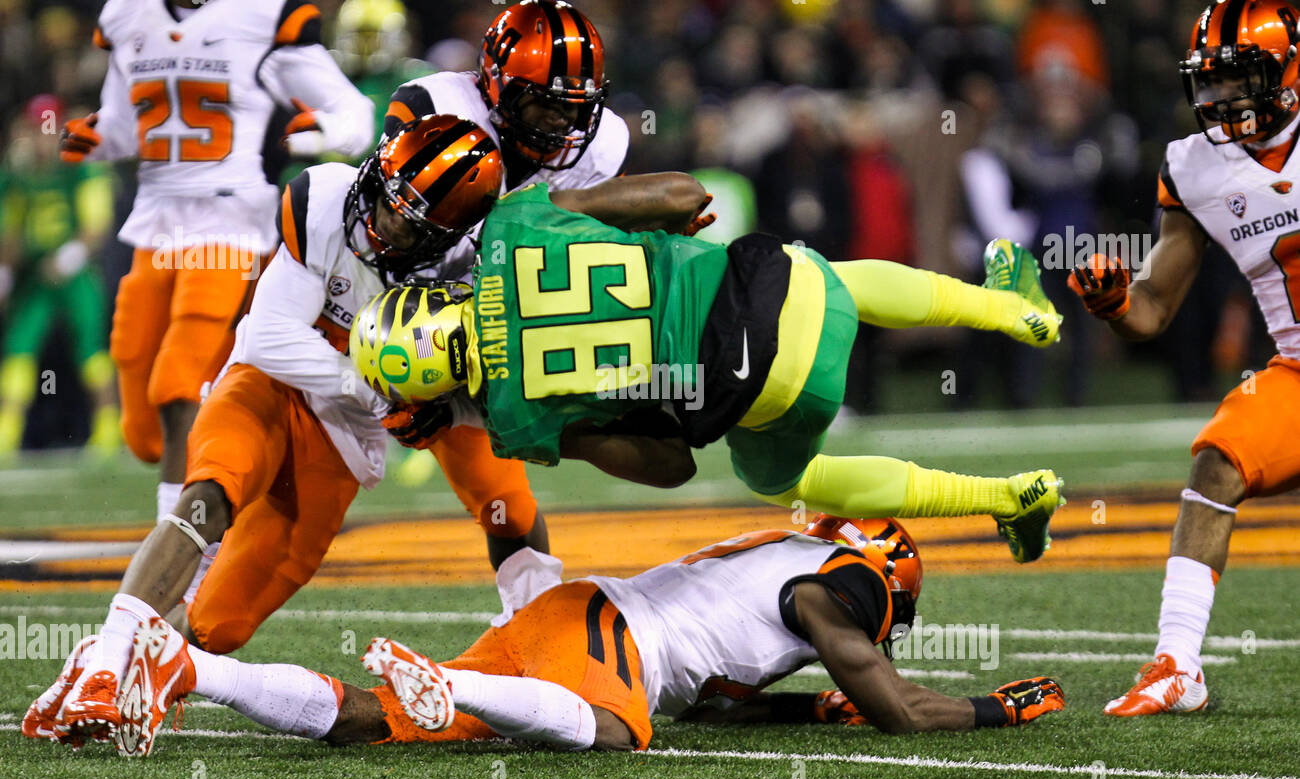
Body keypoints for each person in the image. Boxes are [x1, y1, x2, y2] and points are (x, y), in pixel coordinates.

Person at [21, 115, 513, 748]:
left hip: (341, 441)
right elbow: (277, 337)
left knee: (216, 625)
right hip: (269, 383)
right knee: (209, 495)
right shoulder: (328, 197)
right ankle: (107, 668)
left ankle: (92, 667)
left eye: (409, 219)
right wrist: (373, 386)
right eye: (387, 197)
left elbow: (470, 398)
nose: (385, 220)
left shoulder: (470, 278)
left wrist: (435, 405)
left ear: (448, 237)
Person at [354, 174, 1067, 563]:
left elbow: (673, 468)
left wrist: (577, 423)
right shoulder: (513, 224)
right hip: (784, 290)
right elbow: (683, 194)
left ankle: (1006, 498)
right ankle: (1009, 310)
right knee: (826, 278)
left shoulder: (514, 421)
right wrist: (653, 243)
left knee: (783, 480)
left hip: (770, 391)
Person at [27, 515, 1065, 756]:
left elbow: (717, 687)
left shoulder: (787, 568)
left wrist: (805, 705)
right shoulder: (836, 585)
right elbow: (895, 708)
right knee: (612, 734)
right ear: (886, 578)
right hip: (609, 637)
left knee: (366, 723)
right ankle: (449, 680)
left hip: (571, 619)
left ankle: (186, 663)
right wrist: (991, 706)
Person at [59, 0, 373, 524]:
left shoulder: (264, 12)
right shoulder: (128, 15)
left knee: (180, 381)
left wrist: (319, 133)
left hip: (231, 224)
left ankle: (177, 551)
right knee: (140, 406)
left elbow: (354, 113)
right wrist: (93, 138)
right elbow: (123, 123)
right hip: (156, 224)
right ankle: (225, 481)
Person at [1069, 0, 1300, 716]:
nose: (1221, 94)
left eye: (1239, 76)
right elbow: (1155, 306)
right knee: (1216, 464)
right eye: (1211, 78)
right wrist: (1112, 300)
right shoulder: (1197, 167)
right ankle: (1177, 665)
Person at [378, 0, 632, 560]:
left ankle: (531, 626)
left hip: (477, 320)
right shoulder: (434, 106)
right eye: (544, 103)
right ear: (495, 82)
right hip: (386, 304)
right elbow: (389, 234)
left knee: (506, 506)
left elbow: (549, 254)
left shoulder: (601, 142)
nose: (562, 121)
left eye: (575, 106)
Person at [0, 95, 119, 456]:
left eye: (45, 130)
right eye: (34, 130)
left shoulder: (80, 165)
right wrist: (5, 269)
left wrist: (70, 256)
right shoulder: (18, 174)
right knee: (18, 346)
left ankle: (108, 427)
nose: (40, 138)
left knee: (90, 348)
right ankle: (7, 430)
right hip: (38, 275)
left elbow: (97, 224)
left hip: (75, 273)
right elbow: (12, 231)